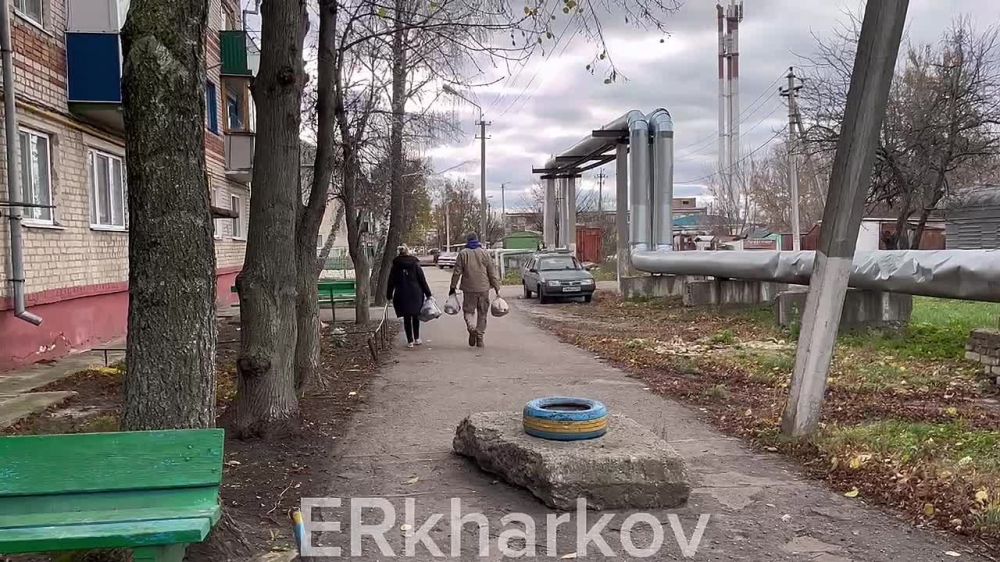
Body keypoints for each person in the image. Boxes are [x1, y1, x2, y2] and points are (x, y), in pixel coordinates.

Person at [449, 232, 501, 348]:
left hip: (468, 289)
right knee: (482, 313)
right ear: (477, 240)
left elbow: (457, 272)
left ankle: (472, 328)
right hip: (483, 288)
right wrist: (497, 288)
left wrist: (452, 287)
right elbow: (492, 273)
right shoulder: (484, 253)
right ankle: (480, 336)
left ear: (467, 241)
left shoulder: (463, 254)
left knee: (468, 311)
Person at [387, 245, 432, 348]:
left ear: (399, 252)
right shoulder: (415, 263)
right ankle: (417, 338)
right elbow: (422, 279)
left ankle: (410, 341)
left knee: (407, 317)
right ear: (408, 251)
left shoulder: (396, 265)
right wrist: (428, 294)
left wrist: (389, 295)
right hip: (415, 293)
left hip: (402, 293)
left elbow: (391, 281)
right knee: (416, 315)